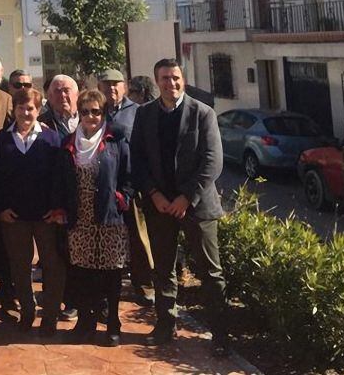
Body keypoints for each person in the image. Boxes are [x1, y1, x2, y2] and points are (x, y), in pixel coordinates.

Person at [130, 59, 228, 356]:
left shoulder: (203, 114)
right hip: (159, 206)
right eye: (164, 79)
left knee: (211, 273)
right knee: (163, 268)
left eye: (175, 78)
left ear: (183, 79)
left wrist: (186, 197)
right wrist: (154, 194)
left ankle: (221, 335)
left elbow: (213, 161)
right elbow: (138, 159)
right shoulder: (145, 115)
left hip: (196, 207)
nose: (170, 84)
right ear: (156, 81)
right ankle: (165, 324)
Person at [0, 88, 65, 336]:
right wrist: (1, 207)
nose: (26, 112)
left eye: (31, 108)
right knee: (19, 267)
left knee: (52, 266)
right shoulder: (2, 139)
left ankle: (51, 316)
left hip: (46, 216)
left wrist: (57, 209)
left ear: (38, 110)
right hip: (14, 218)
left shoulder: (52, 138)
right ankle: (27, 311)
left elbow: (60, 177)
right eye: (21, 108)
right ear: (14, 110)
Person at [62, 89, 132, 347]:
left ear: (104, 113)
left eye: (96, 111)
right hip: (80, 219)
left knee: (111, 274)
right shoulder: (69, 142)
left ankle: (113, 322)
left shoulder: (116, 138)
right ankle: (86, 321)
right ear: (78, 113)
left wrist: (121, 198)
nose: (90, 116)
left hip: (109, 217)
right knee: (83, 273)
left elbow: (128, 176)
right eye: (85, 111)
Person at [98, 69, 152, 305]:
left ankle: (145, 285)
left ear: (125, 87)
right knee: (109, 237)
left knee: (139, 237)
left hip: (133, 185)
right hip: (105, 187)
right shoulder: (96, 112)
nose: (111, 88)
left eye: (116, 84)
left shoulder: (138, 112)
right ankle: (109, 288)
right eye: (106, 84)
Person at [41, 74, 79, 142]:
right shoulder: (41, 123)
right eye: (57, 91)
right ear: (50, 96)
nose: (62, 95)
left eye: (66, 90)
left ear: (77, 94)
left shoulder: (89, 119)